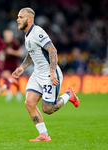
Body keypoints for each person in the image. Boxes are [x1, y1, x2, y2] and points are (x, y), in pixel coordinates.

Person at [12, 8, 79, 141]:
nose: (17, 19)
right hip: (37, 73)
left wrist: (52, 72)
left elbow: (52, 50)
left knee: (48, 109)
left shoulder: (37, 32)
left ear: (29, 19)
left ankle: (69, 95)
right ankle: (44, 135)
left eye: (21, 17)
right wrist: (22, 67)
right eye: (18, 17)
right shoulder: (27, 35)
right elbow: (32, 54)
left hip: (49, 74)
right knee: (29, 103)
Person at [1, 29, 23, 101]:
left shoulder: (15, 42)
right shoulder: (3, 43)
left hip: (14, 62)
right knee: (5, 75)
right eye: (5, 35)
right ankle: (8, 92)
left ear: (11, 35)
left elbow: (20, 53)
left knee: (16, 79)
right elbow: (1, 52)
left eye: (8, 35)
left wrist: (12, 52)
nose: (7, 36)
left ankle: (18, 91)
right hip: (6, 62)